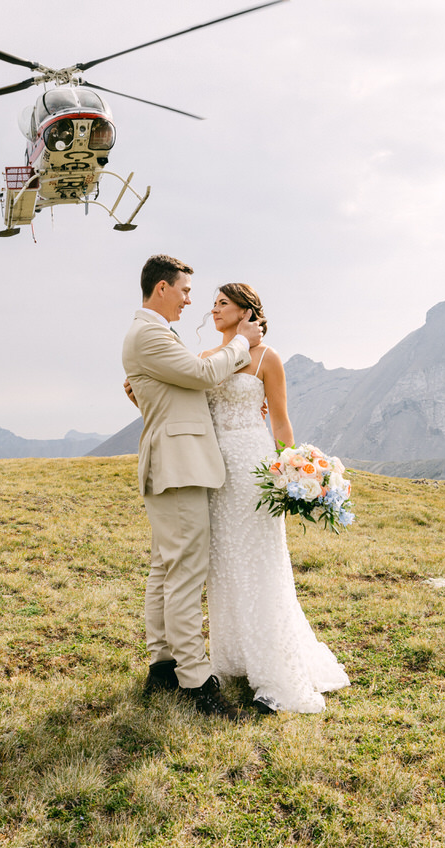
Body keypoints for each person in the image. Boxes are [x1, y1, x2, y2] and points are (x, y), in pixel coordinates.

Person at [121, 254, 263, 719]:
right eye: (184, 291)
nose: (189, 300)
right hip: (178, 466)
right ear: (161, 288)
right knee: (185, 571)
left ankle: (162, 665)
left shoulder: (155, 336)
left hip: (178, 462)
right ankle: (196, 681)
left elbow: (184, 387)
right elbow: (202, 374)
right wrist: (241, 344)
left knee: (166, 567)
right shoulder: (148, 334)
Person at [201, 283, 349, 713]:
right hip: (215, 472)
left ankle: (275, 674)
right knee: (225, 562)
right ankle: (234, 657)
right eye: (212, 304)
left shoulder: (268, 359)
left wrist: (294, 476)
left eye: (222, 304)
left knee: (260, 563)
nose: (213, 310)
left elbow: (281, 423)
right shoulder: (207, 359)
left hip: (253, 466)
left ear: (247, 311)